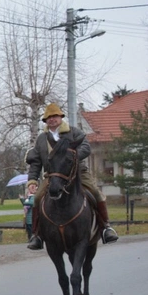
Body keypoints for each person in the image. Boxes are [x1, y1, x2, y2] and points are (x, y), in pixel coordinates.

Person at [26, 103, 119, 250]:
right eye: (48, 117)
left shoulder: (74, 132)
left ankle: (106, 227)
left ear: (61, 117)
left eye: (55, 116)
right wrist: (32, 180)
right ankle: (36, 235)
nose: (52, 119)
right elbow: (36, 162)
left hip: (77, 172)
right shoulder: (41, 139)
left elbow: (86, 147)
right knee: (37, 198)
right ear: (45, 121)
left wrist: (72, 157)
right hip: (51, 175)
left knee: (96, 194)